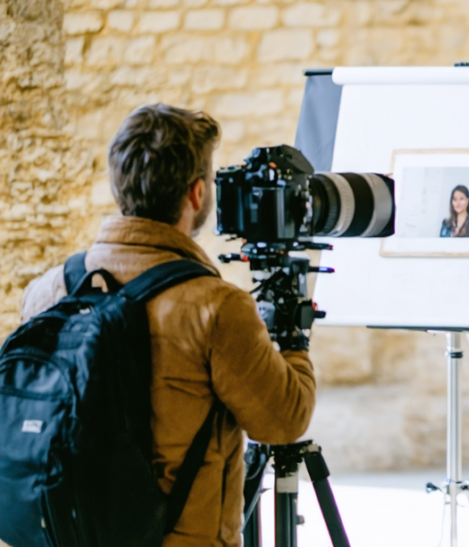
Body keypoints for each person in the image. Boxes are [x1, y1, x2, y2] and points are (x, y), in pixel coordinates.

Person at [20, 104, 316, 547]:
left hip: (67, 536)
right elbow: (284, 420)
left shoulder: (48, 290)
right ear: (197, 194)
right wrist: (294, 342)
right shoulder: (215, 307)